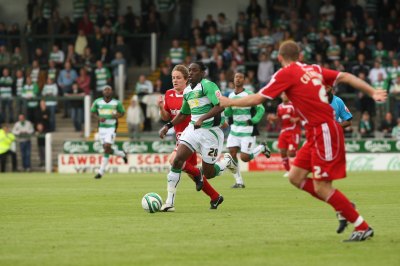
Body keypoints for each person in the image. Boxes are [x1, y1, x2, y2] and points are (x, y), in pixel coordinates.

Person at [219, 40, 387, 241]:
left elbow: (257, 99)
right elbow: (345, 76)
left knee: (322, 187)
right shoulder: (313, 68)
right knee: (295, 177)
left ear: (280, 58)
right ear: (299, 56)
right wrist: (372, 91)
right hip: (314, 132)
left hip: (324, 130)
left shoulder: (285, 73)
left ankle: (361, 225)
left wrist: (229, 101)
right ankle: (342, 205)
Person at [158, 62, 238, 211]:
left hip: (211, 133)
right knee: (176, 161)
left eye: (194, 70)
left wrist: (202, 118)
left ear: (202, 72)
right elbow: (183, 114)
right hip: (192, 130)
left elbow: (220, 105)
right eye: (190, 71)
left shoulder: (208, 86)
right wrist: (167, 126)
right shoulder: (188, 91)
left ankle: (226, 162)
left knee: (209, 173)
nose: (191, 73)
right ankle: (169, 203)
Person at [224, 72, 270, 188]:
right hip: (234, 129)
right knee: (232, 153)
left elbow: (261, 109)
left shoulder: (249, 94)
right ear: (233, 80)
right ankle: (239, 181)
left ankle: (262, 147)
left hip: (247, 130)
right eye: (236, 77)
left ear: (244, 80)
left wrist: (254, 120)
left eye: (240, 77)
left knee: (245, 158)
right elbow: (229, 112)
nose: (238, 79)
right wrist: (225, 109)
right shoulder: (230, 95)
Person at [91, 85, 128, 179]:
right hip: (101, 129)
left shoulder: (117, 103)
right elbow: (93, 112)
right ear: (103, 92)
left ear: (112, 92)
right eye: (105, 90)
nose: (107, 91)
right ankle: (121, 154)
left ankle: (100, 172)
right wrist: (99, 118)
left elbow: (122, 113)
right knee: (106, 149)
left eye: (109, 89)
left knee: (107, 147)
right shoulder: (97, 101)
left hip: (111, 128)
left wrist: (116, 115)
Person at [268, 92, 301, 177]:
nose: (285, 95)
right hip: (284, 131)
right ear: (281, 96)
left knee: (291, 153)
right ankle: (289, 171)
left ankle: (302, 164)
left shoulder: (294, 105)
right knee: (282, 151)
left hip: (294, 131)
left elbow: (302, 115)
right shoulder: (279, 106)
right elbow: (279, 118)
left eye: (286, 94)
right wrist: (272, 119)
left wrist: (296, 119)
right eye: (283, 94)